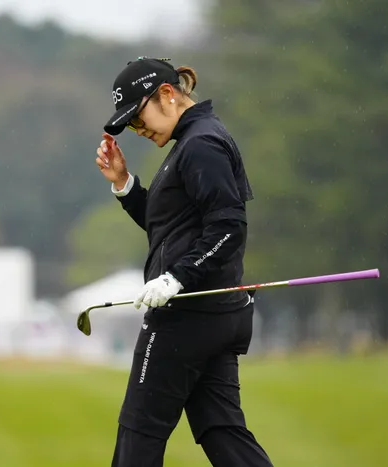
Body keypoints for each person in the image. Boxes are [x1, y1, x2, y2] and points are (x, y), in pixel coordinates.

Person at [95, 57, 274, 467]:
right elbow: (171, 229)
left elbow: (228, 227)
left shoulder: (200, 144)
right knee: (222, 431)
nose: (139, 129)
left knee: (138, 434)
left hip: (186, 317)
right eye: (131, 125)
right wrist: (124, 185)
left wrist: (176, 278)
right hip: (216, 315)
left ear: (167, 94)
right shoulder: (193, 140)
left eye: (138, 117)